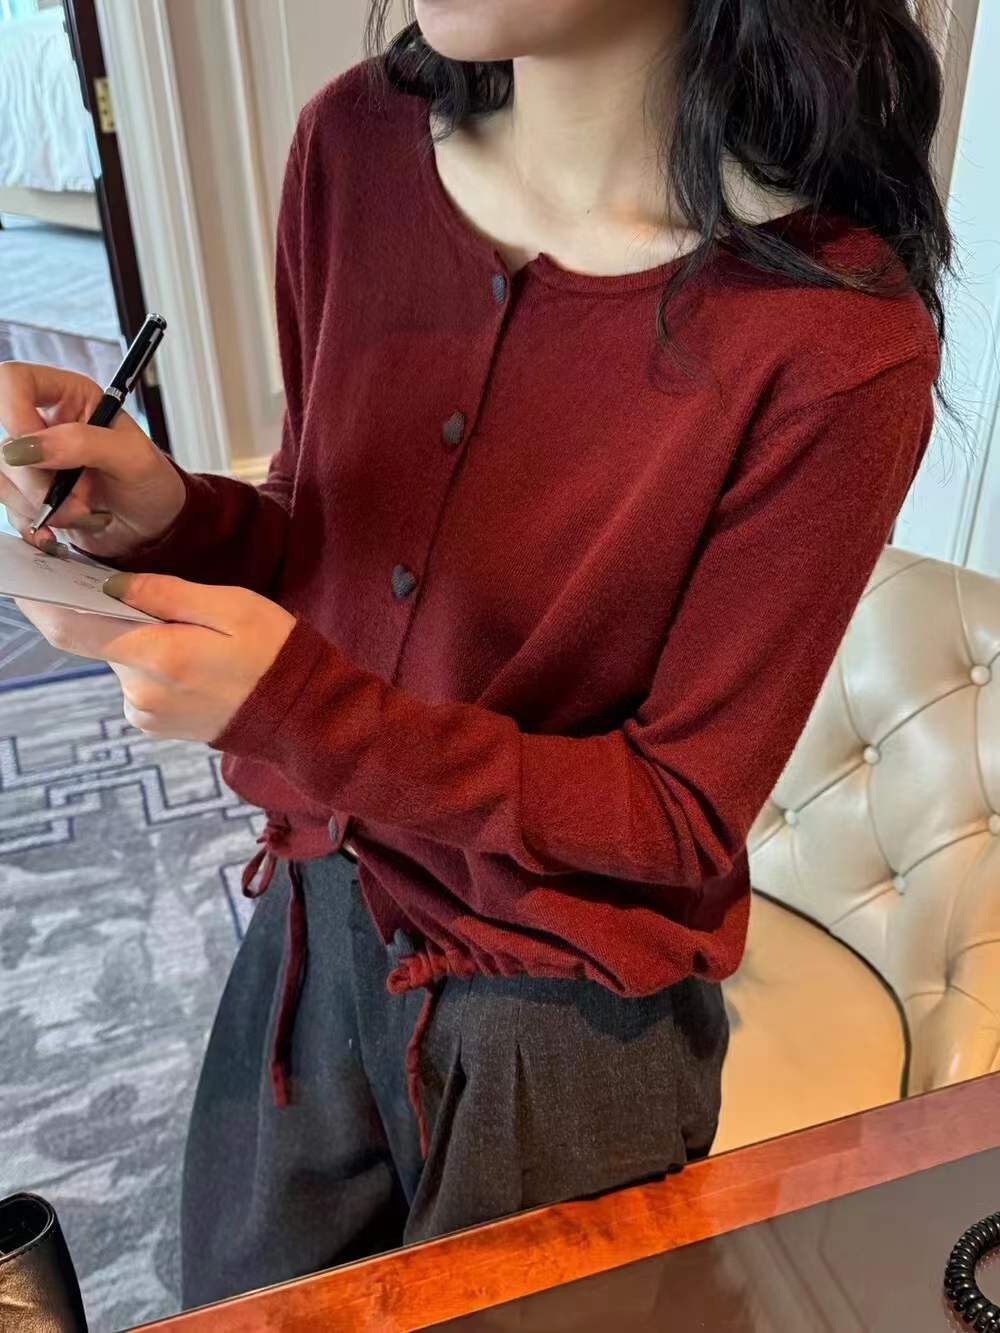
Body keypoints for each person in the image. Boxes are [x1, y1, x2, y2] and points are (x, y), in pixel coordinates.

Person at [0, 0, 949, 1310]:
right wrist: (171, 517)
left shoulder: (834, 339)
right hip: (317, 906)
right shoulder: (353, 147)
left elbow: (678, 814)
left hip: (555, 1019)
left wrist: (300, 709)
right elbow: (320, 540)